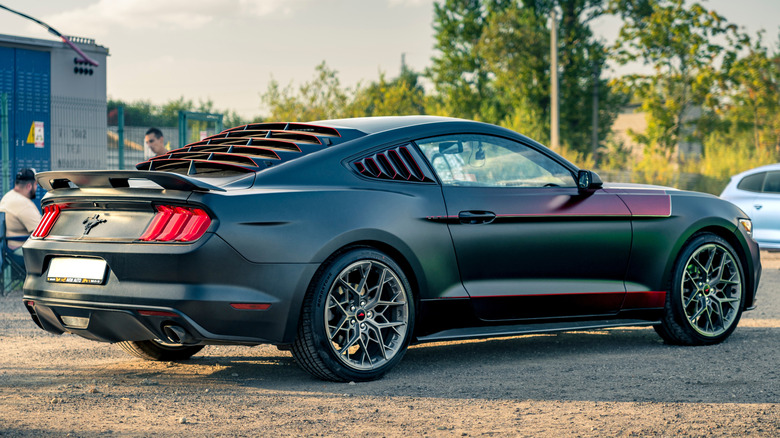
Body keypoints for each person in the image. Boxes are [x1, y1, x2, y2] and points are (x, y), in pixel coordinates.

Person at [0, 168, 42, 265]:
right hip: (20, 251)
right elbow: (42, 230)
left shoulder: (8, 196)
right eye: (36, 185)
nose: (36, 188)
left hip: (8, 249)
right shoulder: (23, 203)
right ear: (29, 186)